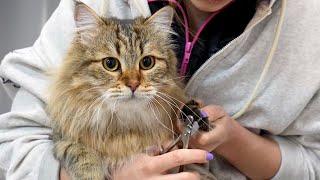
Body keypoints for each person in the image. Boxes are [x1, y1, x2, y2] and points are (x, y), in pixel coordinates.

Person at [0, 0, 319, 179]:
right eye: (112, 66)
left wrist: (236, 142)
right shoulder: (94, 8)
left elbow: (313, 165)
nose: (132, 82)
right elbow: (13, 144)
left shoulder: (310, 23)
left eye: (147, 64)